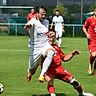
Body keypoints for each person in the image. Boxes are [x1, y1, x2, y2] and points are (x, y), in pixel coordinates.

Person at [41, 29, 94, 96]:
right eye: (50, 36)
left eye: (53, 36)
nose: (51, 38)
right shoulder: (42, 48)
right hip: (49, 70)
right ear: (46, 37)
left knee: (74, 81)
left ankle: (82, 93)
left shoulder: (56, 47)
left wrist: (72, 54)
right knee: (50, 82)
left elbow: (64, 58)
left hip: (59, 69)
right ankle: (52, 94)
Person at [24, 6, 55, 82]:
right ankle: (30, 72)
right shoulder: (33, 21)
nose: (43, 16)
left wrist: (50, 34)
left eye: (44, 14)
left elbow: (45, 33)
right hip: (35, 49)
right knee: (32, 70)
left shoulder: (46, 22)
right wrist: (27, 27)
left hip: (45, 46)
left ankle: (42, 75)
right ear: (37, 13)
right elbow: (27, 26)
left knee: (51, 52)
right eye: (42, 14)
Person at [83, 8, 96, 76]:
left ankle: (94, 69)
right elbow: (84, 27)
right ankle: (90, 64)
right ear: (94, 12)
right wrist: (87, 34)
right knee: (94, 54)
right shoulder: (90, 19)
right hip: (92, 40)